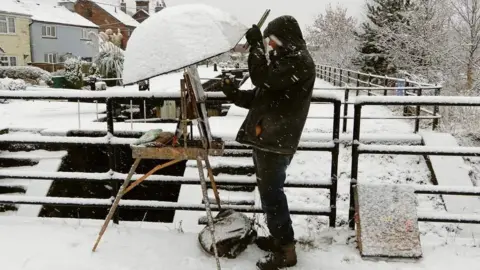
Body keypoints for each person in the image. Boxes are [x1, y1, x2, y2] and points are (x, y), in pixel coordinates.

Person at [220, 15, 316, 270]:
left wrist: (255, 48)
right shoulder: (287, 61)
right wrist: (233, 94)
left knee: (273, 197)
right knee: (269, 195)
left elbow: (261, 78)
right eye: (269, 42)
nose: (270, 46)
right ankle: (279, 240)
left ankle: (286, 251)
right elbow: (261, 96)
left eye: (272, 41)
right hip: (270, 138)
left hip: (276, 140)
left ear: (286, 38)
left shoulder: (299, 62)